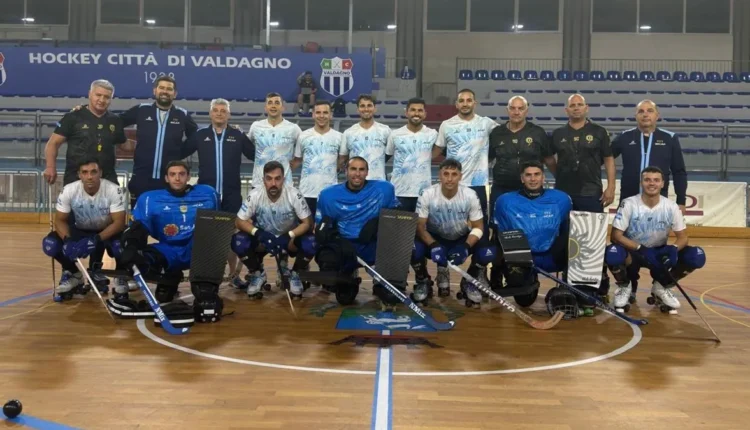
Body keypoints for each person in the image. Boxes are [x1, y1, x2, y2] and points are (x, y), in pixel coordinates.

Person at [118, 160, 221, 322]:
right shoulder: (149, 199)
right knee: (141, 261)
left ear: (189, 176)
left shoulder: (208, 194)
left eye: (181, 174)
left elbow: (219, 225)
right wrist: (131, 246)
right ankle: (169, 279)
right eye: (173, 174)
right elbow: (138, 227)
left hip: (196, 249)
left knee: (205, 296)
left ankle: (205, 289)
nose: (177, 178)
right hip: (168, 250)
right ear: (166, 178)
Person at [606, 166, 705, 314]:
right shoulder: (629, 204)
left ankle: (662, 286)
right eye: (647, 180)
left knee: (696, 255)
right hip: (633, 252)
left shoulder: (671, 206)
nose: (652, 183)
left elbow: (683, 237)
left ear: (662, 183)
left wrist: (673, 249)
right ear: (641, 182)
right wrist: (640, 248)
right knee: (612, 252)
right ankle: (625, 286)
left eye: (656, 180)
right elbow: (616, 236)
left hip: (659, 253)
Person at [181, 98, 255, 285]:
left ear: (228, 114)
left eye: (223, 111)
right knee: (207, 236)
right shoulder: (200, 135)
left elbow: (256, 155)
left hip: (232, 194)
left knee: (232, 235)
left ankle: (233, 275)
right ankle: (206, 273)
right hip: (207, 195)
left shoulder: (237, 134)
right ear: (210, 113)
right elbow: (179, 153)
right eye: (216, 110)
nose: (219, 113)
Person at [488, 95, 555, 288]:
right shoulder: (496, 133)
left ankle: (526, 273)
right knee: (498, 232)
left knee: (527, 231)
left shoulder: (538, 133)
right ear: (507, 110)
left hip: (527, 192)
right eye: (513, 108)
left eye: (520, 108)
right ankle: (496, 273)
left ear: (527, 110)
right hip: (501, 190)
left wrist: (561, 181)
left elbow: (549, 160)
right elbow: (485, 159)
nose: (516, 112)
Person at [551, 93, 615, 296]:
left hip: (591, 193)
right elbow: (549, 158)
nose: (576, 108)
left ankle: (598, 282)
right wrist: (559, 174)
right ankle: (567, 280)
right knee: (566, 238)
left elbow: (609, 159)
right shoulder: (558, 133)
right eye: (572, 105)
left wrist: (611, 186)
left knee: (593, 239)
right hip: (564, 194)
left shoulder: (599, 132)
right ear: (566, 110)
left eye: (580, 105)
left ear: (586, 108)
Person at [314, 157, 399, 307]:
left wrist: (377, 222)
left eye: (361, 169)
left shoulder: (384, 189)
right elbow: (321, 228)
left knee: (399, 243)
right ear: (346, 171)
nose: (357, 174)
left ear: (367, 172)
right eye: (353, 169)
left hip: (371, 244)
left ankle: (382, 282)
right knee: (344, 298)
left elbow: (396, 217)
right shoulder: (328, 195)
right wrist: (338, 240)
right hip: (346, 246)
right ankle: (347, 277)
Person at [411, 159, 495, 308]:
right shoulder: (427, 194)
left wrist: (465, 246)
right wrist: (434, 245)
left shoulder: (470, 195)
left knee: (487, 252)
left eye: (454, 174)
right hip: (435, 238)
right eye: (446, 174)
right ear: (439, 175)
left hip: (461, 238)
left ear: (460, 176)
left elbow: (479, 226)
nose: (449, 179)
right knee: (413, 248)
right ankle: (423, 280)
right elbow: (420, 226)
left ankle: (469, 280)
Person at [42, 159, 127, 300]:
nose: (89, 176)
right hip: (81, 229)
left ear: (100, 173)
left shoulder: (113, 189)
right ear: (79, 175)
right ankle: (74, 274)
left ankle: (120, 275)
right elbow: (60, 220)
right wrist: (67, 240)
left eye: (93, 172)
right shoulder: (69, 190)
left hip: (106, 231)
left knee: (120, 246)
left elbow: (119, 222)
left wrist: (96, 239)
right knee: (50, 243)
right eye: (85, 172)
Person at [493, 161, 573, 309]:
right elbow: (499, 235)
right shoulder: (505, 201)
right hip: (522, 258)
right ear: (522, 178)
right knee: (524, 302)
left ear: (543, 177)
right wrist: (499, 266)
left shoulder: (561, 199)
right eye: (528, 175)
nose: (533, 179)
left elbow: (568, 230)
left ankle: (570, 285)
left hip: (552, 256)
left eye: (537, 174)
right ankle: (526, 279)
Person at [231, 161, 315, 299]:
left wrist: (289, 235)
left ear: (284, 179)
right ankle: (258, 273)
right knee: (238, 241)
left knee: (311, 242)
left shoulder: (294, 194)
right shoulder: (255, 194)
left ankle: (295, 274)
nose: (273, 183)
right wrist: (258, 233)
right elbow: (239, 221)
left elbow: (307, 223)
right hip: (264, 240)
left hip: (289, 240)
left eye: (277, 178)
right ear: (263, 180)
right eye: (269, 178)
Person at [120, 76, 198, 209]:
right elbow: (116, 123)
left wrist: (179, 153)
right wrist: (122, 140)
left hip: (168, 180)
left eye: (169, 89)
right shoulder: (141, 110)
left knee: (168, 219)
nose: (165, 91)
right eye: (161, 88)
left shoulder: (182, 115)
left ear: (175, 93)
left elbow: (195, 137)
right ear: (154, 90)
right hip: (141, 177)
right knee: (139, 218)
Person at [43, 79, 128, 186]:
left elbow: (123, 144)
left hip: (107, 179)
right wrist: (50, 167)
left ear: (111, 99)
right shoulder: (72, 117)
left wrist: (145, 144)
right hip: (75, 179)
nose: (102, 100)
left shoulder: (115, 120)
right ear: (90, 94)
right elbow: (53, 143)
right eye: (98, 95)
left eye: (107, 97)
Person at [611, 99, 688, 215]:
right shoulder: (624, 137)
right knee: (621, 228)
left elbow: (679, 172)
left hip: (659, 205)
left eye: (650, 111)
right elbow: (605, 158)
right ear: (636, 116)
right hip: (628, 202)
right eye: (641, 111)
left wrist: (681, 201)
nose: (645, 114)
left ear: (657, 115)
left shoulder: (670, 138)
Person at [433, 88, 498, 221]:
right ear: (456, 104)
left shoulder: (486, 123)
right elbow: (438, 149)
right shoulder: (447, 125)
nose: (465, 104)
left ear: (475, 103)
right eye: (461, 101)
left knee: (480, 223)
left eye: (469, 100)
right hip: (453, 183)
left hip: (478, 184)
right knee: (453, 223)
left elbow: (506, 133)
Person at [290, 100, 343, 217]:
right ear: (313, 114)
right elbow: (297, 161)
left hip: (329, 193)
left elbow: (342, 162)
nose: (322, 116)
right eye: (318, 112)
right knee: (305, 227)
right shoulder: (303, 136)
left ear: (330, 115)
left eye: (325, 112)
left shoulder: (339, 137)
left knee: (327, 227)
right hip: (306, 193)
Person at [385, 97, 438, 212]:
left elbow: (442, 150)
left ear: (425, 114)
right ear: (406, 113)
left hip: (424, 193)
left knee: (422, 224)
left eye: (420, 110)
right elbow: (385, 157)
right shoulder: (395, 135)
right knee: (400, 224)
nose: (416, 113)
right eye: (413, 110)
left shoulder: (432, 134)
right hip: (399, 192)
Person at [247, 92, 302, 188]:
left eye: (277, 103)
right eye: (270, 103)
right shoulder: (256, 126)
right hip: (259, 184)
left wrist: (297, 161)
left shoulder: (293, 128)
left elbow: (307, 145)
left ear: (283, 107)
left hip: (285, 185)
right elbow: (245, 145)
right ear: (265, 108)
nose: (273, 106)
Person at [339, 94, 393, 181]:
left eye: (369, 105)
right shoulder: (348, 132)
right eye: (362, 106)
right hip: (356, 183)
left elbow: (390, 153)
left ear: (375, 108)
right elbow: (343, 159)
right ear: (357, 110)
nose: (366, 109)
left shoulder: (385, 130)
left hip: (378, 182)